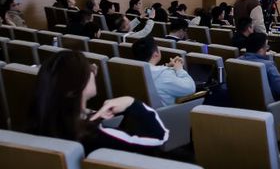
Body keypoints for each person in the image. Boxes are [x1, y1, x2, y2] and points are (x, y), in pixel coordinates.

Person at [27, 51, 168, 154]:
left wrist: (92, 116)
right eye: (89, 69)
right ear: (76, 86)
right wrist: (132, 102)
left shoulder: (39, 126)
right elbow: (159, 138)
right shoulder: (98, 137)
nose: (94, 71)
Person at [131, 36, 195, 105]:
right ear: (155, 54)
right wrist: (179, 69)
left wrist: (167, 66)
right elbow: (190, 88)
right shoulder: (164, 74)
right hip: (167, 111)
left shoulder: (131, 70)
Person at [240, 33, 280, 99]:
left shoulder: (237, 60)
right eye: (266, 46)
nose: (267, 49)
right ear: (261, 49)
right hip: (271, 104)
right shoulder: (268, 65)